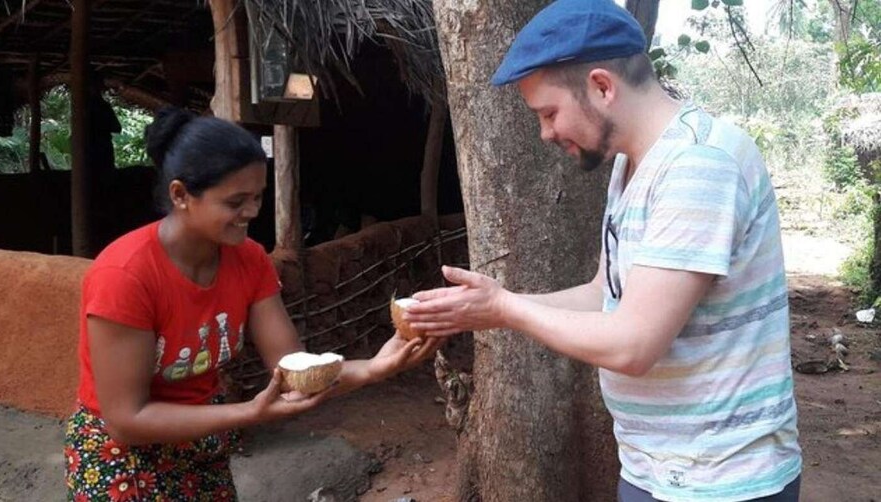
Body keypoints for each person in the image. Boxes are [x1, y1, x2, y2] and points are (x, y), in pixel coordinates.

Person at [402, 1, 802, 501]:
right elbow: (605, 295)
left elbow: (632, 344)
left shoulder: (699, 165)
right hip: (654, 463)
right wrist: (489, 307)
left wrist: (505, 309)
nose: (546, 132)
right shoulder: (634, 166)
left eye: (549, 113)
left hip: (722, 479)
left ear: (602, 86)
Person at [64, 106, 441, 501]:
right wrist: (250, 412)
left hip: (201, 445)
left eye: (258, 197)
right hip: (122, 459)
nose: (252, 212)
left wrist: (375, 368)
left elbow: (291, 368)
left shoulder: (249, 260)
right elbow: (127, 420)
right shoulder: (125, 276)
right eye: (235, 201)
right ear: (181, 195)